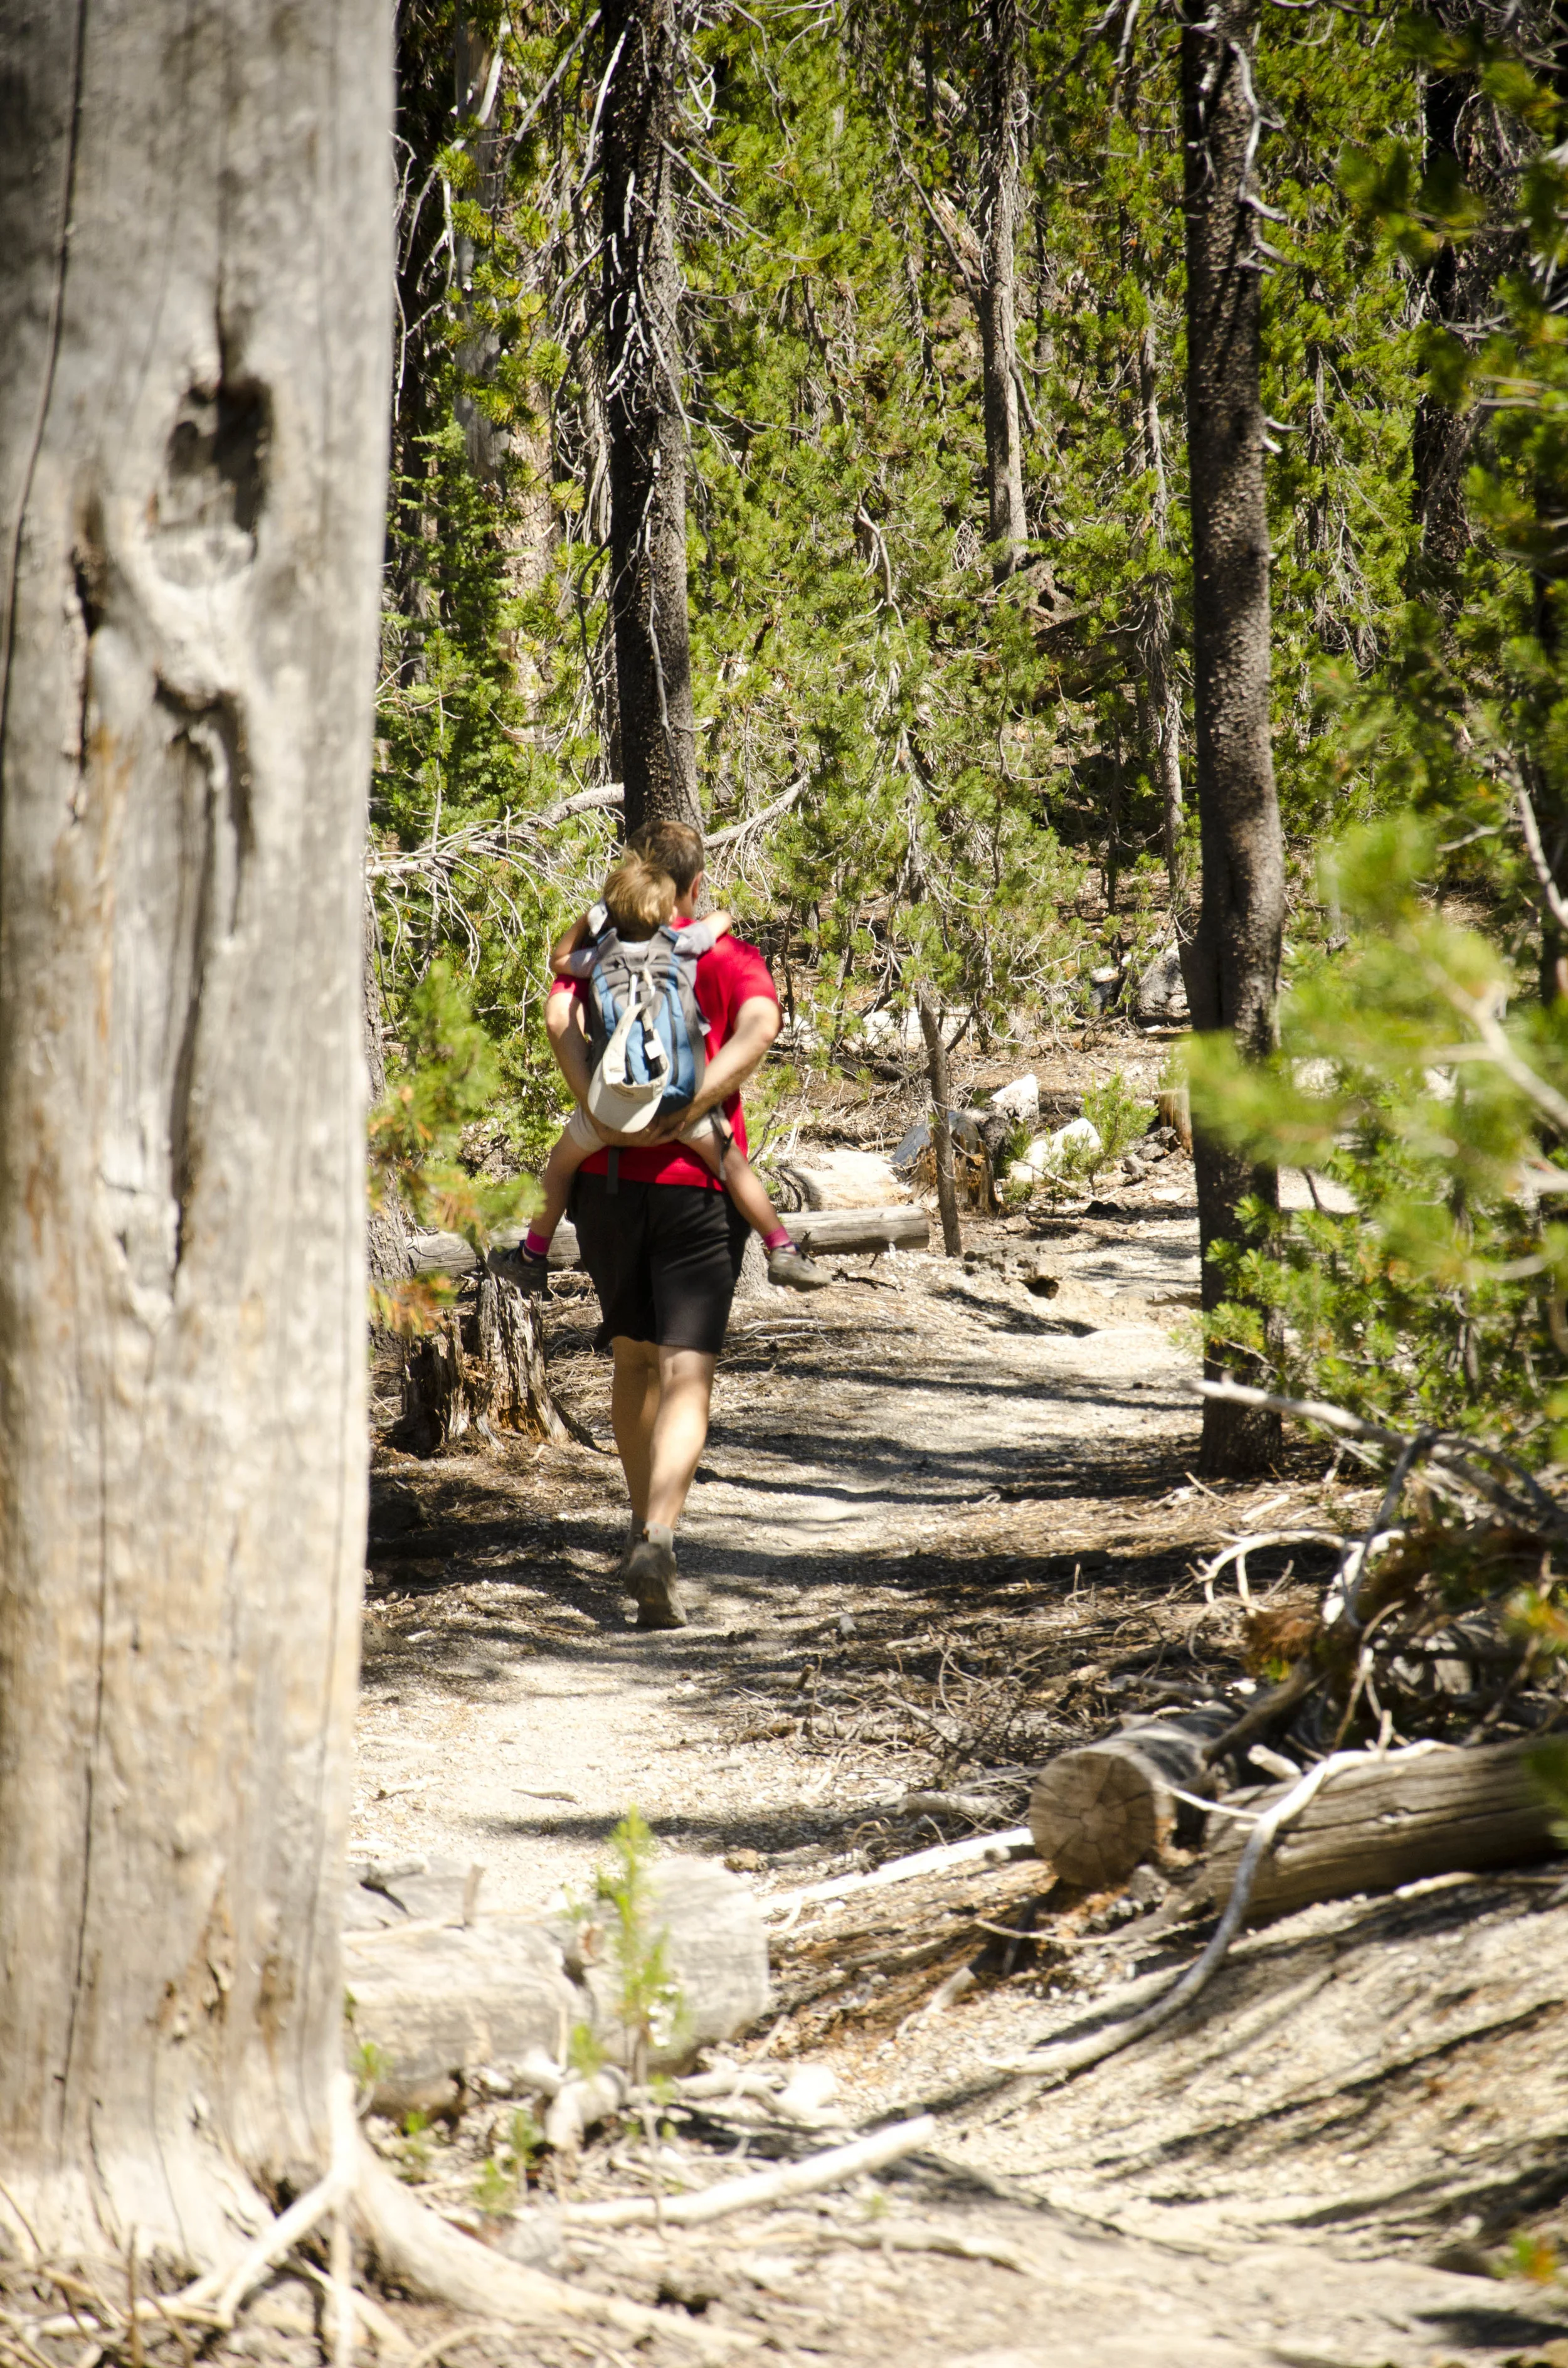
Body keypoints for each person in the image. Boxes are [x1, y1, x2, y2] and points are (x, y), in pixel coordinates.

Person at [531, 818, 786, 1632]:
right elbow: (760, 1026)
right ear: (697, 886)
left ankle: (642, 1531)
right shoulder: (718, 953)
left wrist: (598, 1107)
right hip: (696, 1189)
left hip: (606, 1184)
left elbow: (556, 1009)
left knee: (635, 1363)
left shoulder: (605, 947)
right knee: (687, 1372)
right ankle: (662, 1536)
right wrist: (696, 1101)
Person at [499, 852, 828, 1295]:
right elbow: (716, 924)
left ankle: (531, 1257)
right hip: (679, 1103)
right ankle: (781, 1247)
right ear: (669, 909)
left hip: (611, 1108)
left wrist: (591, 915)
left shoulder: (599, 957)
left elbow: (560, 959)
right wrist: (724, 913)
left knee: (559, 1166)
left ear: (611, 910)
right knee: (733, 1166)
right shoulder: (683, 946)